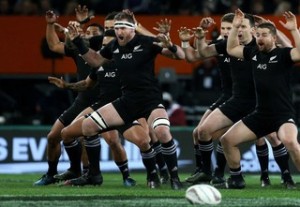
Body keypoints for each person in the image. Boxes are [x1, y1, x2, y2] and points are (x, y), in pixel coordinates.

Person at [60, 11, 185, 190]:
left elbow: (180, 56)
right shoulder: (113, 46)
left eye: (123, 28)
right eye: (117, 28)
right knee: (88, 126)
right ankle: (94, 175)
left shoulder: (147, 42)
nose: (119, 31)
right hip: (127, 101)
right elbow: (95, 61)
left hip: (150, 101)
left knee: (162, 132)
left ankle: (174, 178)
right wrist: (78, 42)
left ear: (133, 29)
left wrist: (171, 46)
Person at [180, 13, 295, 189]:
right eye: (234, 27)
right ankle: (216, 174)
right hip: (239, 100)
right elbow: (202, 53)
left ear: (253, 29)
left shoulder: (269, 49)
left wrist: (285, 30)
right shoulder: (239, 48)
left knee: (276, 138)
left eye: (241, 26)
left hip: (266, 105)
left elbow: (291, 53)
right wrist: (203, 35)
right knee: (207, 132)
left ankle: (283, 176)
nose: (237, 29)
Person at [34, 6, 132, 186]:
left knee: (111, 140)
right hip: (83, 100)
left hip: (105, 101)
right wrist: (50, 25)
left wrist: (82, 23)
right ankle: (55, 173)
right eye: (87, 32)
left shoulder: (105, 49)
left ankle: (125, 176)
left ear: (103, 36)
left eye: (94, 32)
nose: (89, 34)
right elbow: (54, 45)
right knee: (53, 136)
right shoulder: (79, 49)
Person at [223, 9, 300, 189]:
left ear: (274, 38)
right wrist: (234, 27)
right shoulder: (253, 53)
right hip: (260, 114)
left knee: (290, 142)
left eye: (264, 35)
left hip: (282, 114)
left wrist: (294, 30)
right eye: (257, 34)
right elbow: (231, 49)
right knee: (227, 140)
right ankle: (236, 179)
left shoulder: (283, 55)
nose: (259, 38)